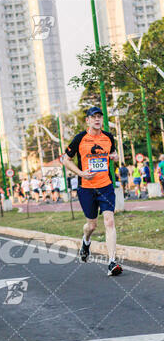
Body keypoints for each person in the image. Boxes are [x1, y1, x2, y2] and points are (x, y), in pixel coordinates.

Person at [63, 106, 122, 276]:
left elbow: (113, 153)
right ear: (87, 120)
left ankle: (112, 262)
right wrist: (81, 173)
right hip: (86, 188)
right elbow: (66, 160)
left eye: (99, 117)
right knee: (92, 225)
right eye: (93, 117)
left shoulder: (108, 137)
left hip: (105, 186)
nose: (97, 119)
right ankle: (86, 241)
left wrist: (115, 157)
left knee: (109, 221)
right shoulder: (80, 138)